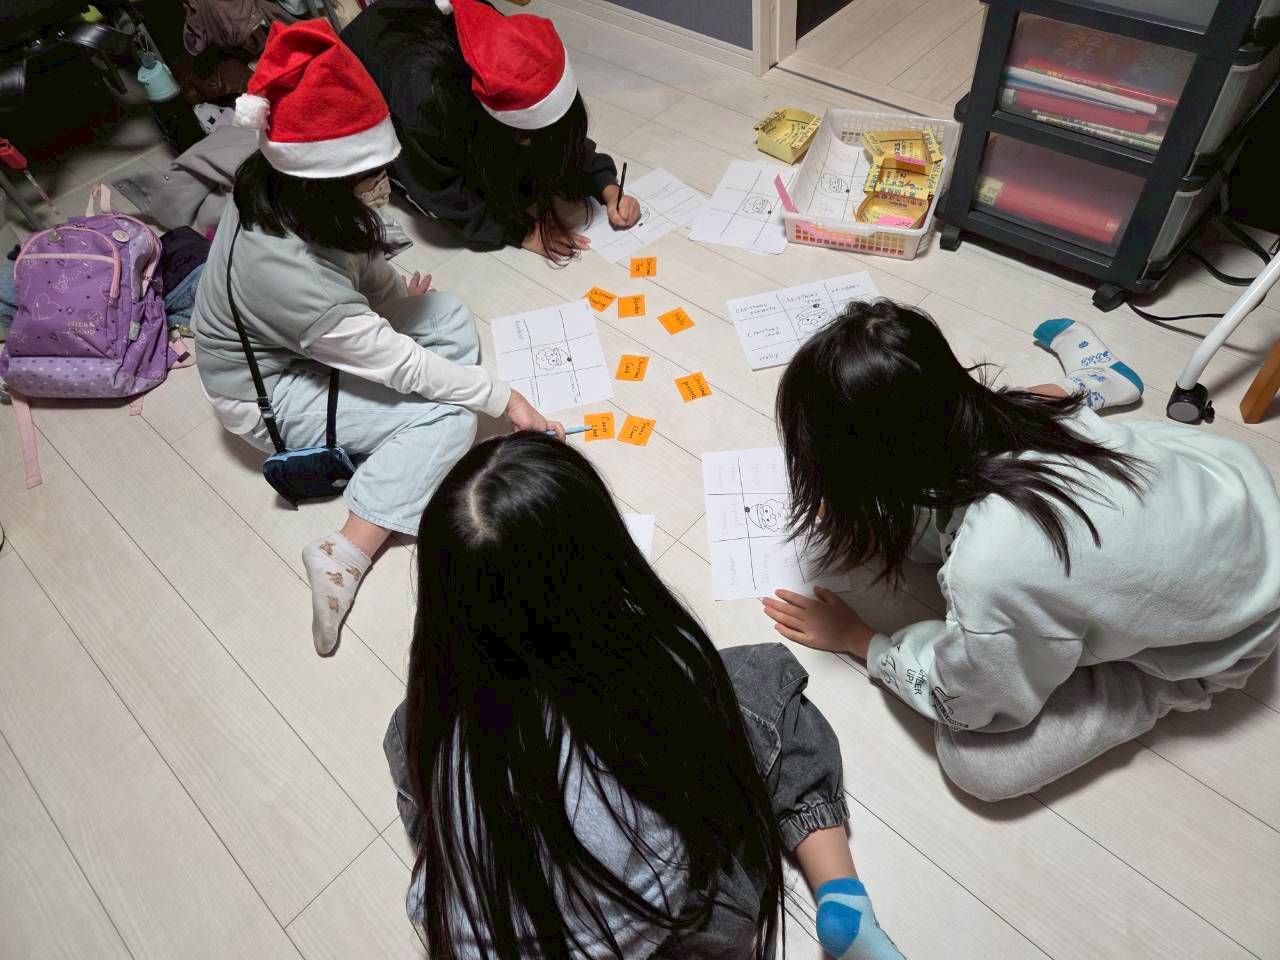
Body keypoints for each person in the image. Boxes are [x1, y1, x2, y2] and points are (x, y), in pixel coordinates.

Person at [385, 433, 904, 959]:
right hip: (680, 936)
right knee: (762, 680)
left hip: (492, 936)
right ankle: (843, 898)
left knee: (404, 734)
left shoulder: (434, 719)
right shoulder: (651, 675)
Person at [764, 301, 1280, 802]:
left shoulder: (990, 569)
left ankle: (1162, 685)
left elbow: (973, 702)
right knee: (1021, 442)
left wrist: (863, 641)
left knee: (978, 766)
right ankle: (1092, 384)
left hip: (1229, 632)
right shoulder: (1015, 406)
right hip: (1230, 490)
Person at [191, 20, 563, 657]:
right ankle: (344, 550)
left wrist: (390, 304)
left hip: (308, 345)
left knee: (446, 314)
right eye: (369, 176)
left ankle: (402, 445)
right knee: (451, 415)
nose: (383, 186)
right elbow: (397, 362)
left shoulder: (284, 186)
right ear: (325, 181)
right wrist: (505, 399)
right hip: (267, 398)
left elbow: (359, 262)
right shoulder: (287, 272)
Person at [341, 0, 640, 262]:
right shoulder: (422, 99)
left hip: (423, 58)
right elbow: (441, 192)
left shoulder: (512, 46)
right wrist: (523, 232)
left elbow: (560, 137)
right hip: (363, 81)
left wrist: (607, 188)